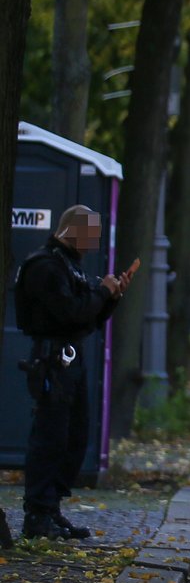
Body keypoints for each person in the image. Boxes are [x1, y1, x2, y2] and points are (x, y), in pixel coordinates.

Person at [13, 206, 133, 540]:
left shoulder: (69, 265)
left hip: (70, 356)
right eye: (89, 234)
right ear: (72, 230)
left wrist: (110, 298)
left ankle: (51, 508)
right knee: (50, 436)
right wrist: (102, 293)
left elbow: (88, 318)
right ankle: (37, 513)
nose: (93, 242)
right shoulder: (46, 266)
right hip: (52, 357)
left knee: (74, 435)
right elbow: (70, 312)